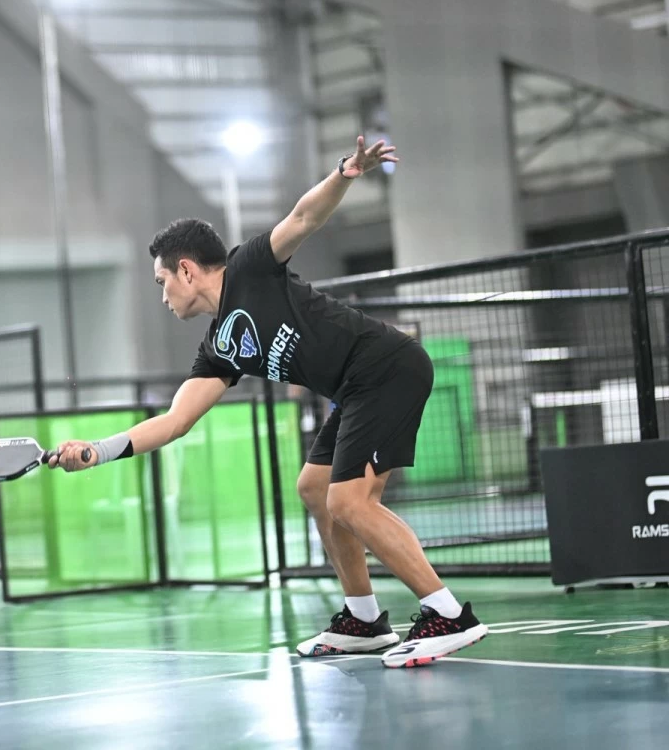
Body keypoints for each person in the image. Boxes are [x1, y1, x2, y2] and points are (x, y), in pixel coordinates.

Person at [48, 137, 488, 668]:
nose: (162, 296)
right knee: (316, 488)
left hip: (385, 367)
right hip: (354, 389)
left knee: (349, 502)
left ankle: (448, 614)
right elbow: (175, 421)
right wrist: (97, 450)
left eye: (162, 281)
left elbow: (303, 218)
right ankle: (364, 619)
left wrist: (345, 172)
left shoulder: (250, 267)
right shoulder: (219, 348)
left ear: (187, 270)